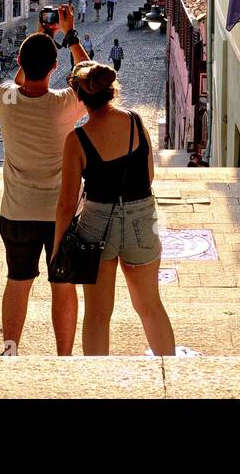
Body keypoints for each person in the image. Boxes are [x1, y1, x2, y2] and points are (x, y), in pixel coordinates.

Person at [54, 62, 175, 356]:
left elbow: (67, 203)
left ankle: (98, 386)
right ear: (111, 92)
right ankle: (171, 375)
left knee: (97, 316)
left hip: (96, 223)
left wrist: (59, 244)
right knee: (150, 307)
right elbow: (148, 176)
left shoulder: (77, 140)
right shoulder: (135, 122)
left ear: (80, 98)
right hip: (141, 218)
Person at [0, 4, 89, 356]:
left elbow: (20, 82)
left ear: (19, 62)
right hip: (61, 214)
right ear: (54, 67)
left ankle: (10, 349)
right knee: (63, 284)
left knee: (18, 280)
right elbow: (88, 75)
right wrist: (68, 35)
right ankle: (63, 357)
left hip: (17, 212)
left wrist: (43, 37)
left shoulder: (4, 99)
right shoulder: (65, 104)